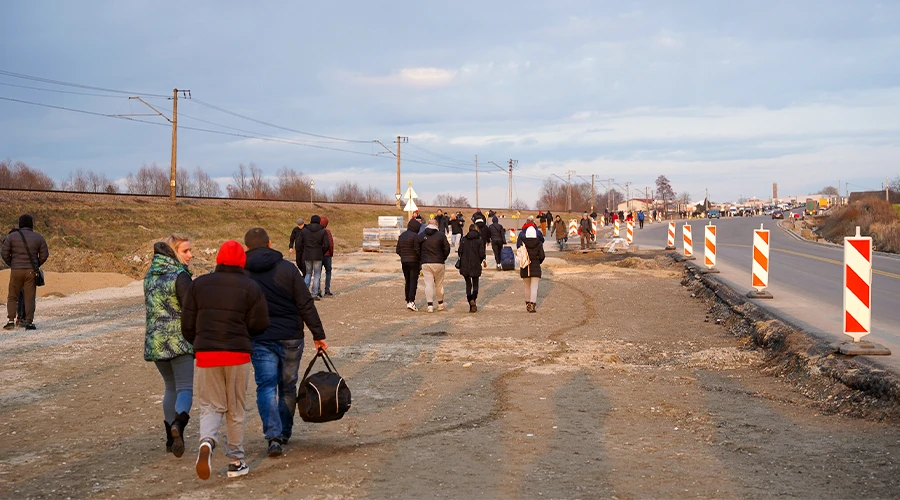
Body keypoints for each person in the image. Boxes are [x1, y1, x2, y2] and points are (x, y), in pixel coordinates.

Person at [182, 240, 270, 480]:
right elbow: (261, 323)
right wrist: (244, 333)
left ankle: (207, 442)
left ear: (218, 259)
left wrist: (199, 343)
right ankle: (236, 460)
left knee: (210, 405)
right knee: (235, 408)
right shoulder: (250, 286)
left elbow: (187, 324)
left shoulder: (199, 284)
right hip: (237, 355)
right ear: (242, 261)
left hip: (206, 354)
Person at [244, 228, 328, 458]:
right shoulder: (288, 269)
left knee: (266, 387)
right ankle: (284, 432)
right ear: (270, 244)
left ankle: (273, 436)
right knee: (288, 386)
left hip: (260, 338)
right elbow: (305, 303)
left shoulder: (242, 272)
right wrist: (318, 334)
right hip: (291, 336)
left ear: (247, 247)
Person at [144, 234, 194, 458]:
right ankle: (179, 427)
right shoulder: (180, 276)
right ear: (174, 252)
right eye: (185, 251)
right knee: (185, 388)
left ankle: (169, 438)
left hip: (155, 341)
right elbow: (190, 310)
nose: (190, 255)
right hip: (179, 341)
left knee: (169, 388)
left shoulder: (149, 275)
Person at [2, 214, 49, 330]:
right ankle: (29, 322)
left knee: (12, 296)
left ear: (20, 224)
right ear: (31, 224)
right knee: (29, 297)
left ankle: (11, 321)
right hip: (31, 272)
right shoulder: (38, 237)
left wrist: (12, 264)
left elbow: (4, 253)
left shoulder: (12, 237)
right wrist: (36, 264)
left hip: (16, 270)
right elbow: (44, 255)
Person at [414, 218, 451, 313]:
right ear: (436, 225)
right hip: (439, 262)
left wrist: (421, 258)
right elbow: (447, 248)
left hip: (426, 262)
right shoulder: (441, 235)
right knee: (439, 284)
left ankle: (430, 305)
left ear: (427, 225)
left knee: (428, 284)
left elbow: (416, 248)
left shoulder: (421, 235)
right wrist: (443, 257)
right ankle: (440, 304)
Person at [300, 215, 330, 299]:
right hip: (318, 255)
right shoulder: (323, 231)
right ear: (318, 221)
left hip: (307, 254)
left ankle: (305, 293)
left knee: (308, 273)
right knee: (317, 275)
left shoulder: (304, 230)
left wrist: (304, 251)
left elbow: (300, 243)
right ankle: (314, 294)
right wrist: (321, 252)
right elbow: (326, 245)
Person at [458, 224, 486, 313]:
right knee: (475, 283)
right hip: (475, 264)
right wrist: (480, 261)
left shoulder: (464, 239)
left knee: (468, 284)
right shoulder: (479, 240)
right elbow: (482, 254)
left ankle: (470, 302)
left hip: (465, 265)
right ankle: (474, 299)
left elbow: (459, 252)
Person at [396, 219, 422, 311]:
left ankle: (408, 300)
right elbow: (417, 250)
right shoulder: (416, 236)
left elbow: (398, 250)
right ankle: (411, 301)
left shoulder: (401, 236)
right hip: (414, 262)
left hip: (404, 261)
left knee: (407, 281)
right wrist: (419, 258)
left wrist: (403, 256)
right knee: (413, 281)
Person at [519, 226, 545, 313]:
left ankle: (527, 303)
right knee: (534, 287)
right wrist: (538, 262)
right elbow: (542, 256)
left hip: (525, 267)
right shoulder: (539, 243)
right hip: (535, 267)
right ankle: (532, 305)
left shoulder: (523, 243)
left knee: (527, 286)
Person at [319, 216, 334, 297]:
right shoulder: (327, 232)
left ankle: (317, 290)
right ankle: (327, 290)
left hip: (319, 255)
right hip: (327, 255)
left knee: (318, 273)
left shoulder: (317, 231)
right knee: (328, 272)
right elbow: (331, 244)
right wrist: (331, 253)